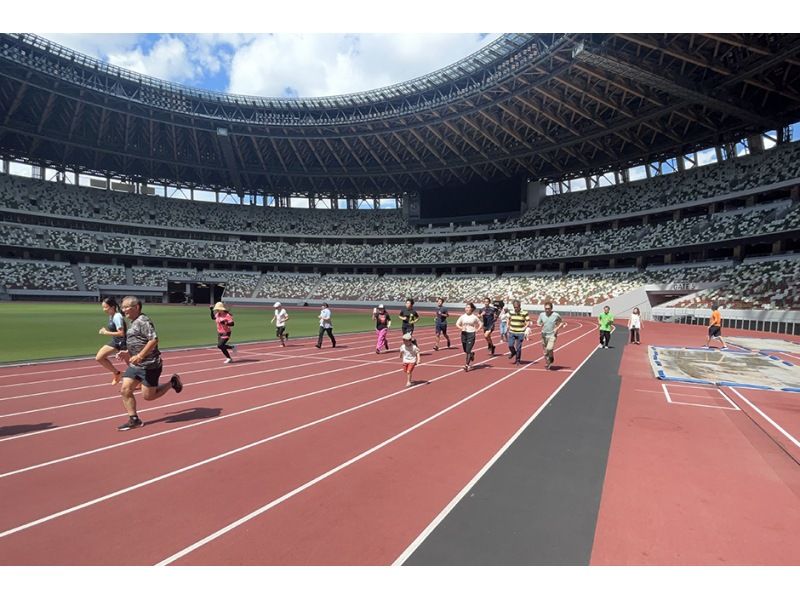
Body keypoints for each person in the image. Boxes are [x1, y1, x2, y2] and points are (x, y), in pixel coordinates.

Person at [116, 296, 183, 431]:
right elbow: (137, 341)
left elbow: (153, 340)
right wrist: (126, 353)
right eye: (122, 307)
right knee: (125, 389)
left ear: (137, 307)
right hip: (136, 365)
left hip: (150, 365)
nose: (123, 310)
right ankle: (133, 419)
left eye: (126, 307)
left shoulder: (143, 321)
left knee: (148, 397)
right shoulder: (133, 321)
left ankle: (172, 383)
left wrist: (140, 355)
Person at [96, 297, 127, 385]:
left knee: (132, 364)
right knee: (99, 357)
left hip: (123, 343)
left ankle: (140, 380)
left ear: (112, 307)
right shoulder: (111, 315)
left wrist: (106, 332)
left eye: (106, 307)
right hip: (115, 341)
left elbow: (121, 333)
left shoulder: (117, 316)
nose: (104, 309)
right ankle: (117, 373)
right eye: (103, 307)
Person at [537, 301, 566, 370]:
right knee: (545, 352)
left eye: (548, 308)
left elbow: (562, 322)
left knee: (549, 348)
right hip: (544, 334)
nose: (547, 310)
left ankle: (551, 357)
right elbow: (538, 322)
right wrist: (540, 325)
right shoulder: (542, 315)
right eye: (546, 308)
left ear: (551, 308)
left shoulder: (556, 315)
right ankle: (548, 363)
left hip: (552, 334)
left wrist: (557, 328)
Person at [456, 302, 483, 372]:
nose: (467, 308)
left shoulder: (474, 317)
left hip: (471, 334)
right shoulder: (462, 316)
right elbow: (457, 324)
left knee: (468, 350)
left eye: (468, 307)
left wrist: (477, 329)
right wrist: (461, 328)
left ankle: (467, 365)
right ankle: (471, 354)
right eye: (466, 307)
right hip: (464, 334)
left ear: (471, 309)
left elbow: (480, 323)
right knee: (465, 350)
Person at [506, 299, 531, 365]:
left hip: (520, 332)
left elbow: (528, 321)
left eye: (517, 307)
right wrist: (507, 325)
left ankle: (518, 360)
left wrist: (525, 327)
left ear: (520, 306)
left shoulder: (524, 312)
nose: (515, 308)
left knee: (518, 347)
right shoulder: (511, 312)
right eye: (514, 307)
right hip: (512, 331)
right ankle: (513, 352)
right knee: (510, 345)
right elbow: (508, 318)